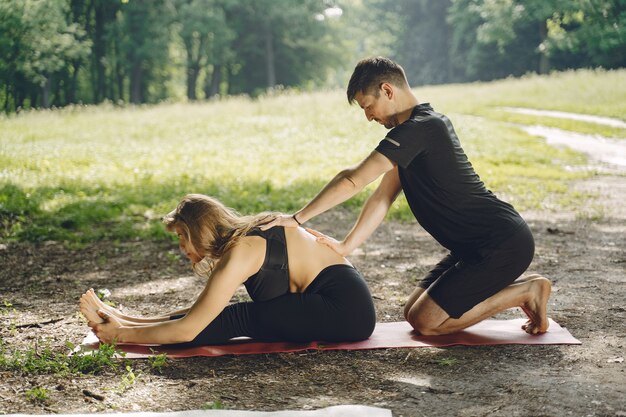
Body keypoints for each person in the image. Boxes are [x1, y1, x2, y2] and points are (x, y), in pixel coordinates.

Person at [260, 56, 552, 336]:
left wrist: (297, 218)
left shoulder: (422, 128)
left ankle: (526, 291)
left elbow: (352, 179)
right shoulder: (416, 131)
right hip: (472, 248)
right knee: (413, 313)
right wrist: (347, 245)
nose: (368, 116)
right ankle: (521, 290)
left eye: (368, 106)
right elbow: (382, 197)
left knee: (427, 322)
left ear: (387, 90)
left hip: (501, 244)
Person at [79, 194, 375, 347]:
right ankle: (126, 320)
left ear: (199, 230)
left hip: (346, 311)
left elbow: (187, 330)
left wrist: (121, 338)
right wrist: (129, 321)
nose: (181, 246)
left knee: (239, 318)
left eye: (182, 235)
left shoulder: (239, 254)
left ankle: (119, 331)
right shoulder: (246, 238)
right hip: (343, 299)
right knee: (224, 314)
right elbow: (201, 312)